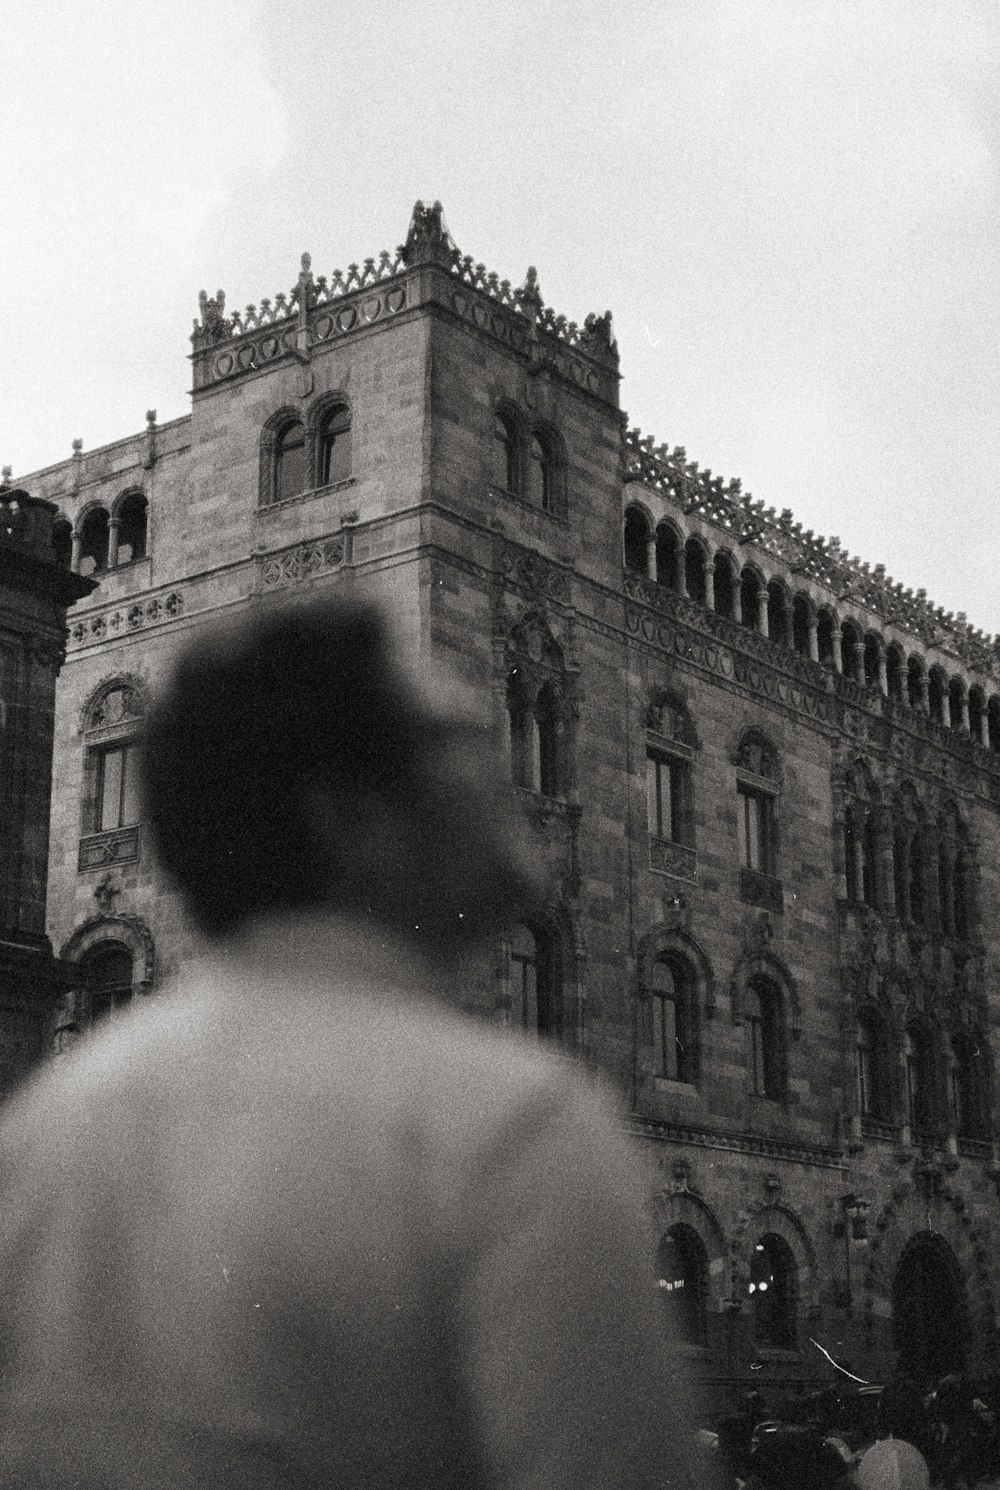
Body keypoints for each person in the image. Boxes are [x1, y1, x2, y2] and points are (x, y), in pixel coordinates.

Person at [0, 594, 705, 1488]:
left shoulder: (41, 1134)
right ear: (349, 816)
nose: (500, 759)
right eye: (453, 738)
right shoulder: (512, 1128)